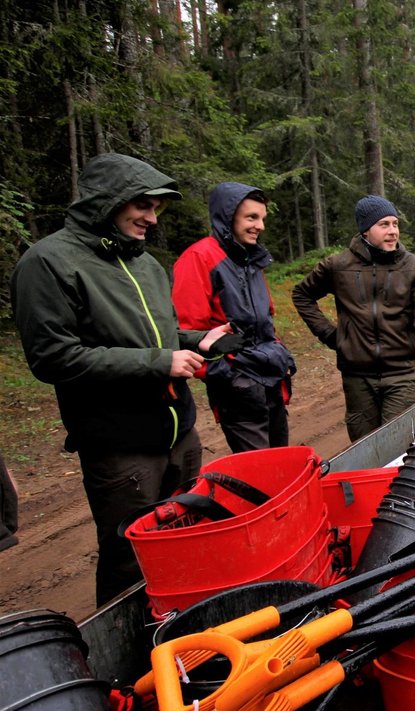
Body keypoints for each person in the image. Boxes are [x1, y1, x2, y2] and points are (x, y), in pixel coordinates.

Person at [9, 153, 234, 605]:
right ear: (109, 201)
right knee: (131, 562)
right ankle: (128, 662)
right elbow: (53, 358)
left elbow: (158, 336)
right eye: (144, 206)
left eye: (157, 209)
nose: (152, 219)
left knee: (187, 541)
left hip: (179, 436)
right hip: (121, 449)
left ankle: (186, 636)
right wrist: (158, 362)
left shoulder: (145, 264)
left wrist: (199, 340)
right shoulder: (48, 263)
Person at [292, 195, 415, 442]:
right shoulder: (338, 265)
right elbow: (302, 294)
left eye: (395, 224)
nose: (392, 231)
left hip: (400, 374)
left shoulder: (413, 267)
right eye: (384, 224)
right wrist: (330, 334)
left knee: (397, 447)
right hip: (357, 377)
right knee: (363, 447)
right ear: (366, 230)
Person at [173, 182, 295, 453]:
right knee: (259, 474)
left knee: (283, 462)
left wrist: (279, 354)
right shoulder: (198, 257)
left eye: (262, 218)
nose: (260, 226)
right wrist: (226, 376)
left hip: (270, 376)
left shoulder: (250, 259)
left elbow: (266, 318)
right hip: (237, 384)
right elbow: (187, 331)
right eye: (251, 217)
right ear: (228, 217)